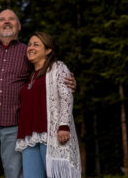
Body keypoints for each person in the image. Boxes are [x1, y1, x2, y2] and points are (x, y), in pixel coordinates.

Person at [0, 11, 76, 178]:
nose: (6, 22)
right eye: (2, 19)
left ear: (19, 26)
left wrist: (69, 81)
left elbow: (47, 73)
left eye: (11, 19)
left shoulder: (28, 52)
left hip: (16, 123)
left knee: (16, 174)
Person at [15, 32, 80, 178]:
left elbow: (66, 97)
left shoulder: (58, 68)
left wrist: (64, 125)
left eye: (36, 44)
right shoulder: (29, 76)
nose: (30, 47)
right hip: (28, 138)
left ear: (48, 50)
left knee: (56, 174)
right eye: (29, 44)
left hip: (51, 135)